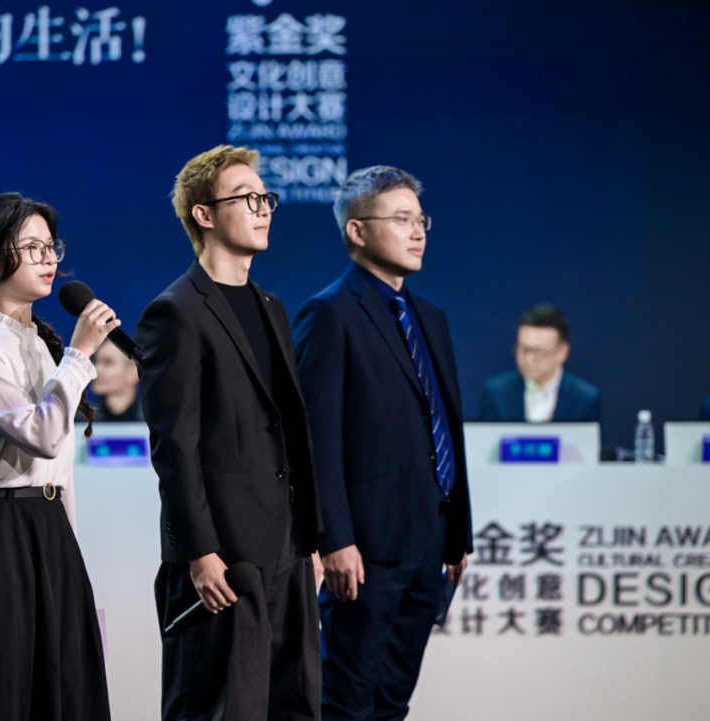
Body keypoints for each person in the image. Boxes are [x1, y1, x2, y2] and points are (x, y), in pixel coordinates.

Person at [136, 145, 324, 721]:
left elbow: (288, 430)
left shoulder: (272, 306)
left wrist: (311, 540)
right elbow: (175, 447)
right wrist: (200, 552)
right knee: (219, 708)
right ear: (204, 215)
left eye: (266, 198)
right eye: (246, 198)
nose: (263, 209)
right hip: (223, 557)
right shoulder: (175, 311)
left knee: (294, 705)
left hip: (287, 550)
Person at [293, 166, 472, 721]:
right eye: (401, 219)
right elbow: (316, 438)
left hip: (430, 541)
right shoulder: (330, 313)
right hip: (366, 548)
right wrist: (334, 540)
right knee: (345, 703)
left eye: (421, 220)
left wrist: (458, 534)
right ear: (357, 230)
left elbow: (444, 424)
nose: (417, 231)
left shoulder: (430, 317)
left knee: (393, 701)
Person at [0, 193, 114, 720]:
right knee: (5, 688)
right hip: (0, 533)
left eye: (51, 246)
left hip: (48, 531)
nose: (48, 259)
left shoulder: (42, 345)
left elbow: (59, 472)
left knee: (61, 690)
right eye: (31, 247)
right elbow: (43, 435)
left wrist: (67, 552)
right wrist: (79, 354)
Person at [478, 303, 602, 423]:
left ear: (562, 352)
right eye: (523, 349)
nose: (529, 359)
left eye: (539, 352)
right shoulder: (496, 393)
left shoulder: (585, 398)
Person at [90, 340, 144, 422]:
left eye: (108, 362)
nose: (96, 369)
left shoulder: (154, 423)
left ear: (133, 372)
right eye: (95, 361)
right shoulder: (77, 422)